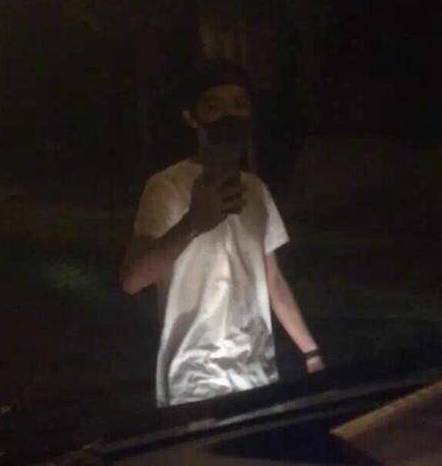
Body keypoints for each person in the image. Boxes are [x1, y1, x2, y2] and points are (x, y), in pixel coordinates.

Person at [120, 58, 323, 408]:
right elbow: (132, 280)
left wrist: (312, 353)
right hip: (194, 380)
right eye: (214, 106)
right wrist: (192, 224)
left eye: (239, 104)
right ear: (191, 117)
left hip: (258, 374)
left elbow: (273, 280)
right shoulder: (166, 186)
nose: (229, 116)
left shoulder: (256, 190)